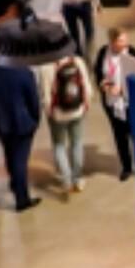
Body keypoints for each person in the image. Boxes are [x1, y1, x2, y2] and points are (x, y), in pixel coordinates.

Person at [0, 53, 43, 211]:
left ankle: (15, 184)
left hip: (1, 123)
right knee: (20, 160)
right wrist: (35, 120)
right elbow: (34, 101)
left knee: (9, 153)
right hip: (23, 123)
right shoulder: (25, 72)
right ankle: (22, 200)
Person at [44, 44, 93, 196]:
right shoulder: (77, 61)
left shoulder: (47, 67)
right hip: (77, 111)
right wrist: (86, 106)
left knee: (59, 145)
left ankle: (66, 180)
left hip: (58, 114)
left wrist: (49, 113)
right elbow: (87, 86)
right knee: (77, 143)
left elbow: (46, 95)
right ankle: (77, 179)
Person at [98, 28, 135, 183]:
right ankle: (126, 167)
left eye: (126, 39)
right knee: (119, 135)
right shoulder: (103, 53)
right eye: (121, 41)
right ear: (112, 42)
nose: (125, 43)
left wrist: (123, 89)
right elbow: (98, 73)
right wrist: (104, 85)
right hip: (111, 102)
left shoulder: (132, 52)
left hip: (130, 102)